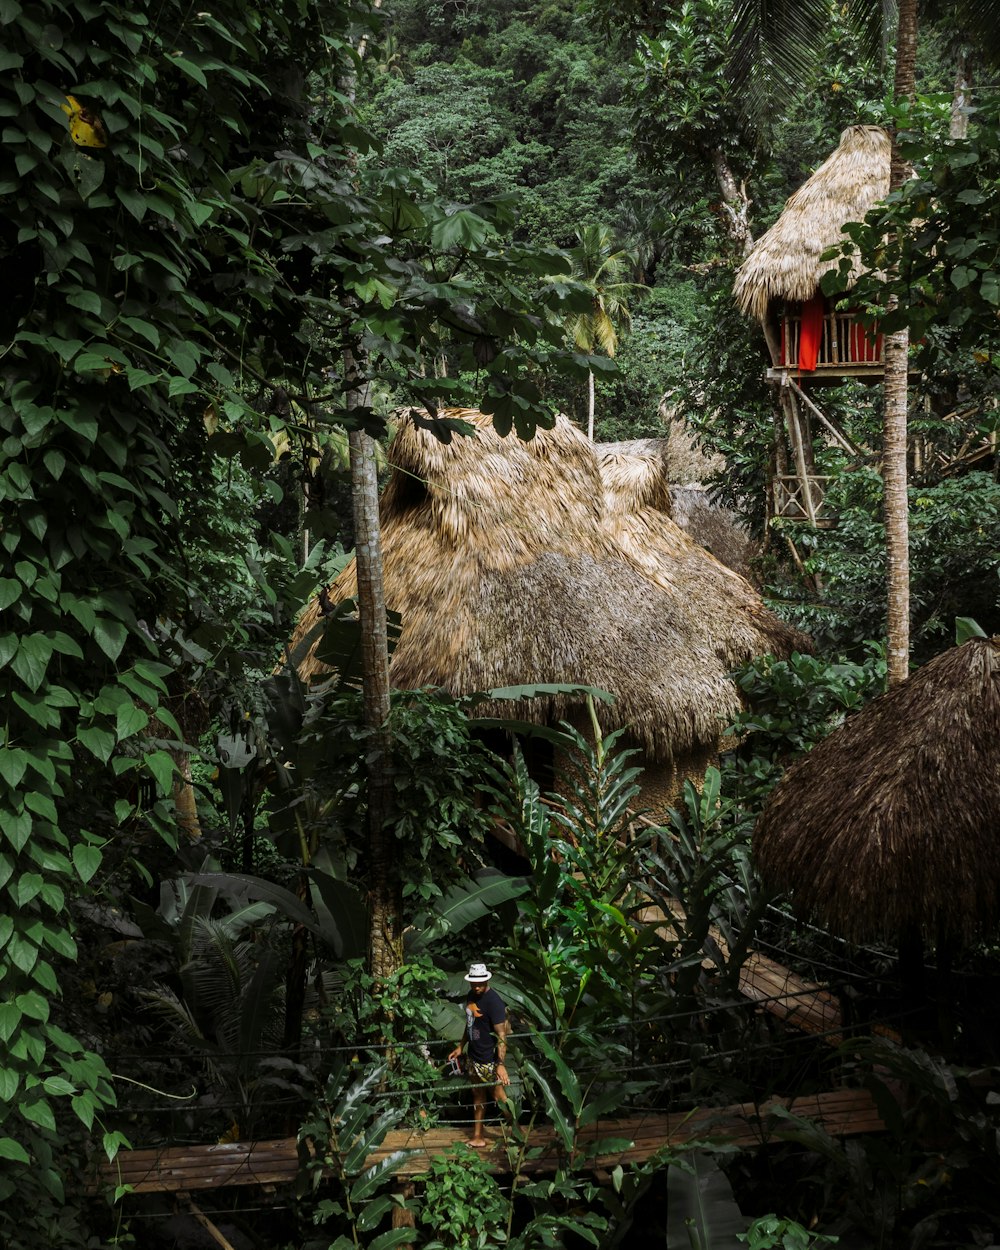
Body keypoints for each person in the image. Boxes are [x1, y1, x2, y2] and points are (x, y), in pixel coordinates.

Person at [447, 961, 510, 1148]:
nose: (477, 986)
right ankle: (477, 1136)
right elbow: (470, 1024)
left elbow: (501, 1035)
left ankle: (517, 1131)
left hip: (488, 1059)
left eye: (480, 983)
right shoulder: (471, 996)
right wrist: (461, 1046)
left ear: (487, 980)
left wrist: (500, 1063)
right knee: (477, 1095)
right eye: (474, 983)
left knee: (500, 1097)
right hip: (474, 1057)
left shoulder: (494, 1002)